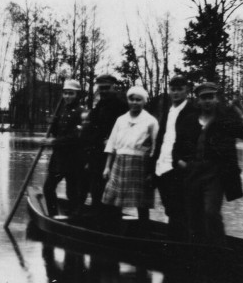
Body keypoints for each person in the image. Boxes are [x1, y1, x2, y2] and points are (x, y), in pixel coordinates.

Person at [182, 81, 243, 246]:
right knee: (194, 215)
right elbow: (180, 144)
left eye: (210, 97)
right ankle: (197, 249)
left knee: (211, 212)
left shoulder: (225, 120)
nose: (207, 101)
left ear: (216, 99)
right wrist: (181, 161)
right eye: (203, 97)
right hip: (193, 173)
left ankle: (219, 249)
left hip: (215, 174)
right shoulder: (190, 120)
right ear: (198, 100)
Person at [151, 75, 200, 241]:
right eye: (173, 89)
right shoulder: (168, 111)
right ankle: (174, 241)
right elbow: (161, 140)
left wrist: (183, 160)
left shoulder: (192, 113)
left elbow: (193, 141)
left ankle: (179, 243)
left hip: (178, 167)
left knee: (179, 208)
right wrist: (153, 163)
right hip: (162, 166)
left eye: (180, 89)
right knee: (170, 207)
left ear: (186, 90)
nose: (176, 93)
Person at [101, 86, 159, 222]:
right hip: (120, 162)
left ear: (144, 102)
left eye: (138, 100)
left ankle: (144, 230)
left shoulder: (151, 121)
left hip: (140, 164)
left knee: (141, 202)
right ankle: (116, 228)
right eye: (131, 99)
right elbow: (112, 143)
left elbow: (155, 148)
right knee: (115, 199)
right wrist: (107, 167)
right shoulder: (121, 119)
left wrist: (152, 171)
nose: (134, 102)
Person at [79, 74, 128, 217]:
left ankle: (111, 223)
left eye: (107, 88)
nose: (104, 91)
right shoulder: (98, 106)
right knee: (96, 189)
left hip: (113, 155)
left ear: (114, 87)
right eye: (101, 88)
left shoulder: (122, 107)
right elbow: (90, 131)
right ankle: (97, 221)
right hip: (96, 154)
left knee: (112, 192)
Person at [43, 79, 84, 219]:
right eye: (65, 93)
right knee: (48, 188)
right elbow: (58, 132)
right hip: (58, 159)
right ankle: (53, 216)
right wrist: (52, 123)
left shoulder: (82, 113)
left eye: (71, 93)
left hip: (73, 159)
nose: (67, 96)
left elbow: (75, 138)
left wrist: (52, 142)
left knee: (72, 192)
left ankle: (74, 219)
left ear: (77, 94)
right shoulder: (61, 111)